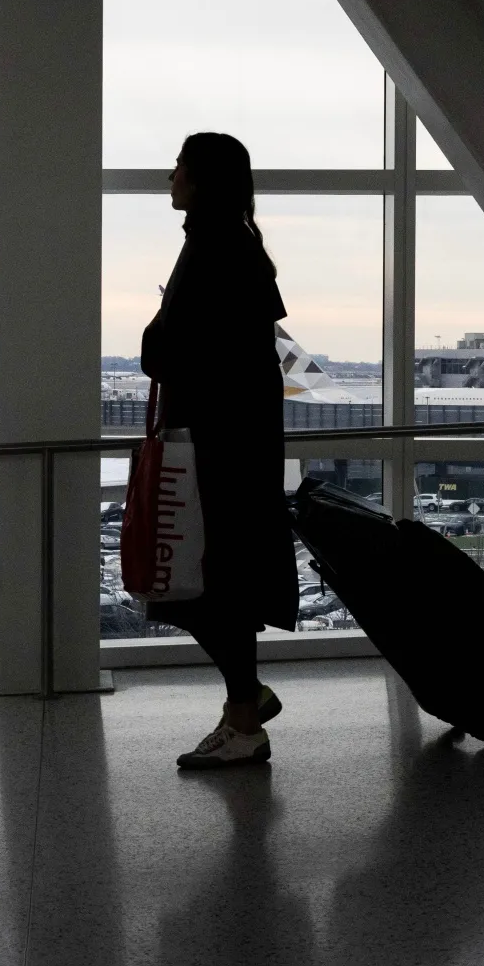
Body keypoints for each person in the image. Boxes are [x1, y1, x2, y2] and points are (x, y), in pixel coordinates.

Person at [140, 132, 300, 769]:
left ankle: (245, 711)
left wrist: (156, 335)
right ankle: (243, 709)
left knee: (201, 587)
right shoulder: (236, 245)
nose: (169, 178)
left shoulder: (213, 248)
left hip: (214, 454)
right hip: (234, 450)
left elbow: (167, 352)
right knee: (216, 586)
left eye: (178, 167)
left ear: (202, 179)